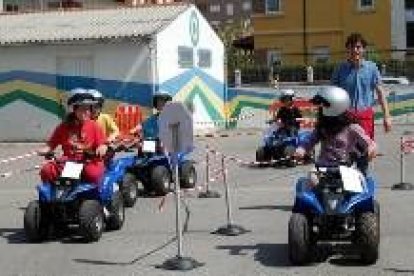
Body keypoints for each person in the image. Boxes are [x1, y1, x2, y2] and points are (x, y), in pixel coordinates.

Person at [295, 86, 377, 183]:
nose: (319, 110)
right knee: (310, 183)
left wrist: (371, 149)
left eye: (322, 106)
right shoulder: (322, 127)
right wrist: (301, 149)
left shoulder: (352, 127)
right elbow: (310, 140)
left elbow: (369, 142)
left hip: (346, 167)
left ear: (335, 106)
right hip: (322, 167)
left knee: (356, 187)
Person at [38, 89, 107, 186]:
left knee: (93, 174)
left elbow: (102, 144)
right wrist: (45, 149)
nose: (86, 112)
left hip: (90, 161)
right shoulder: (63, 127)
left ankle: (96, 198)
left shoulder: (94, 126)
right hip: (71, 161)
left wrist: (102, 147)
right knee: (46, 171)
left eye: (88, 109)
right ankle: (53, 197)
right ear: (74, 109)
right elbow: (51, 144)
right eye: (82, 109)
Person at [331, 32, 391, 139]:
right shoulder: (339, 69)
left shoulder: (372, 68)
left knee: (366, 151)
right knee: (344, 152)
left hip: (365, 117)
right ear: (347, 49)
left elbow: (380, 93)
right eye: (351, 47)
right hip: (346, 118)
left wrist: (386, 116)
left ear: (363, 49)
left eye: (358, 47)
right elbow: (332, 95)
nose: (355, 50)